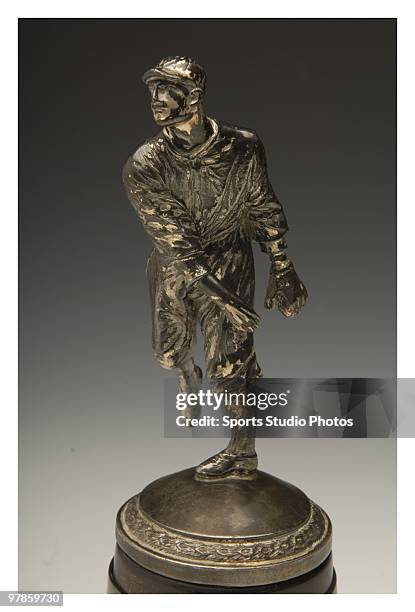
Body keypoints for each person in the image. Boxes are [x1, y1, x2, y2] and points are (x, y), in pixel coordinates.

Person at [123, 56, 307, 479]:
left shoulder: (244, 146)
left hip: (230, 261)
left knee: (232, 367)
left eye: (166, 90)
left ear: (193, 95)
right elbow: (176, 242)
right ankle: (188, 375)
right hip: (175, 268)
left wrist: (282, 266)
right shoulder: (145, 164)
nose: (155, 99)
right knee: (167, 354)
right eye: (152, 90)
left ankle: (242, 454)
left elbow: (263, 205)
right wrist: (224, 300)